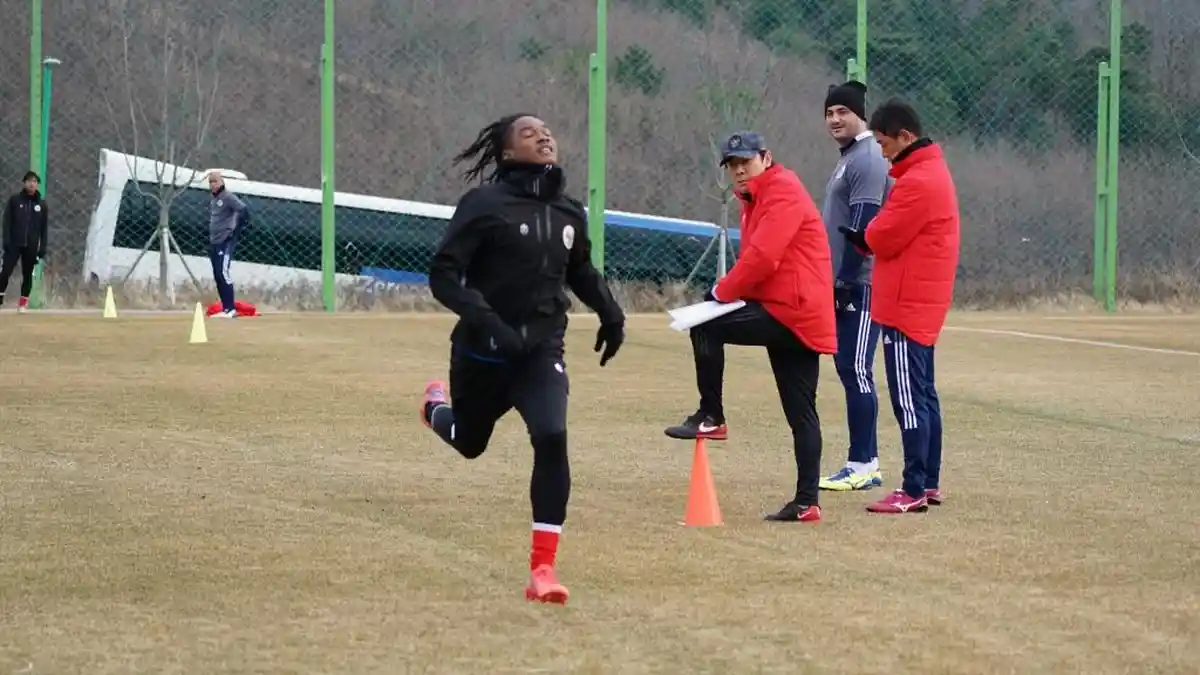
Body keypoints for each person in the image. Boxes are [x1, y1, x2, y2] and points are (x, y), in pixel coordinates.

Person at [420, 113, 626, 603]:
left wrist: (611, 313)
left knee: (552, 435)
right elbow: (444, 275)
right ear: (508, 152)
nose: (544, 136)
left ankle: (543, 571)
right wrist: (490, 325)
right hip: (481, 354)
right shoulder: (484, 205)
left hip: (540, 352)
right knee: (470, 443)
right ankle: (435, 410)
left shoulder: (569, 211)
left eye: (548, 131)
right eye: (529, 133)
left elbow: (581, 271)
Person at [663, 131, 838, 523]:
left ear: (767, 157)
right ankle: (807, 502)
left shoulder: (782, 190)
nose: (739, 170)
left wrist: (719, 293)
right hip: (796, 311)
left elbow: (762, 258)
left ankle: (712, 417)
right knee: (801, 412)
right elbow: (762, 262)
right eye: (732, 165)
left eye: (746, 161)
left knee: (706, 327)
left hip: (792, 310)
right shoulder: (755, 197)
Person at [838, 99, 960, 514]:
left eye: (886, 143)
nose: (883, 152)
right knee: (925, 394)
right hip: (921, 301)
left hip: (907, 305)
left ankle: (911, 489)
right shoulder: (931, 171)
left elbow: (884, 236)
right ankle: (927, 482)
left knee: (909, 398)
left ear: (905, 137)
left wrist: (862, 236)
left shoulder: (918, 181)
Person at [817, 81, 892, 493]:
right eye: (829, 112)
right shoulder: (849, 159)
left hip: (860, 285)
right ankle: (862, 461)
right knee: (849, 368)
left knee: (857, 369)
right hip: (843, 283)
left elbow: (863, 227)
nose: (834, 119)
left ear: (860, 114)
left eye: (842, 111)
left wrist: (846, 279)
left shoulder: (866, 158)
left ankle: (864, 462)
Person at [1, 171, 49, 313]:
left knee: (28, 274)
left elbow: (44, 229)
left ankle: (22, 303)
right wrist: (6, 241)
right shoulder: (15, 200)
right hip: (14, 244)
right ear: (24, 183)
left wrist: (43, 247)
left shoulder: (42, 205)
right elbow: (6, 222)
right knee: (5, 271)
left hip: (31, 245)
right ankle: (0, 296)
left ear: (37, 184)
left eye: (34, 181)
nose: (31, 184)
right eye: (29, 181)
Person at [208, 171, 249, 318]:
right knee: (217, 275)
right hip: (215, 241)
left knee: (223, 272)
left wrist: (235, 230)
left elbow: (243, 210)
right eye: (210, 182)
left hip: (226, 240)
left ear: (221, 182)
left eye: (215, 181)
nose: (212, 185)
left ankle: (230, 308)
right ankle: (225, 307)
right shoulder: (213, 200)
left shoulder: (228, 197)